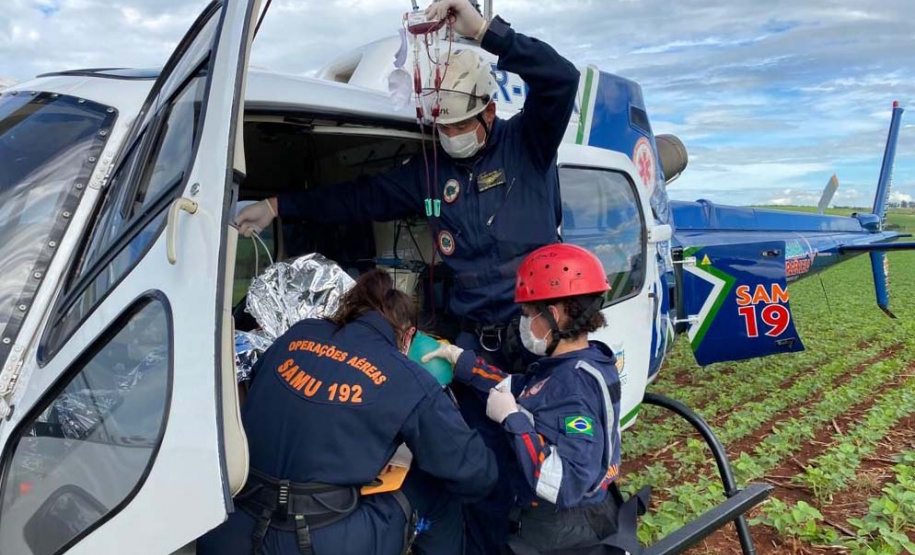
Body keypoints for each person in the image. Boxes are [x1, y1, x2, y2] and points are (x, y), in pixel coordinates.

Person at [235, 3, 580, 549]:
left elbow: (562, 79)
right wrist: (278, 205)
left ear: (489, 114)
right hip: (474, 350)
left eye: (461, 124)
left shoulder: (529, 146)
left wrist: (488, 32)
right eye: (441, 127)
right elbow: (359, 197)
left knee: (537, 462)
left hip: (534, 345)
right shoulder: (432, 170)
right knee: (473, 468)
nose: (451, 136)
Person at [198, 270, 497, 555]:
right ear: (408, 337)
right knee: (438, 491)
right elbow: (475, 473)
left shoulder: (298, 334)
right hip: (315, 541)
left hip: (229, 525)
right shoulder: (407, 377)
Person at [423, 244, 646, 554]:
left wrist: (513, 420)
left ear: (553, 314)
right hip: (579, 513)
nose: (524, 324)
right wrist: (463, 362)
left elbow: (565, 482)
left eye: (528, 314)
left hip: (561, 528)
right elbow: (525, 387)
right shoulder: (580, 362)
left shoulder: (573, 385)